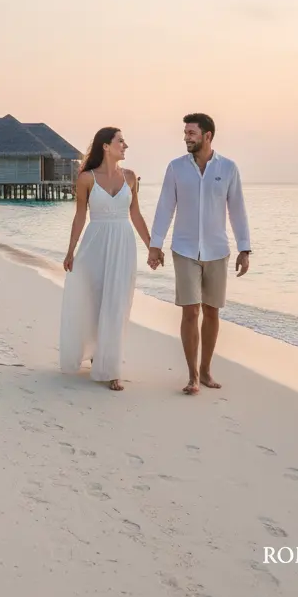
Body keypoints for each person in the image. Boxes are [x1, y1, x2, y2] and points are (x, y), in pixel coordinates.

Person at [148, 113, 251, 395]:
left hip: (217, 250)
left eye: (192, 133)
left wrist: (245, 248)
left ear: (208, 136)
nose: (186, 137)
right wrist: (154, 245)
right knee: (191, 310)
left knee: (212, 311)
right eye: (185, 133)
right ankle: (192, 375)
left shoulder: (228, 168)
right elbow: (165, 207)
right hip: (184, 249)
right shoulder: (176, 168)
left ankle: (206, 370)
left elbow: (237, 210)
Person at [60, 127, 151, 391]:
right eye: (120, 141)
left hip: (123, 244)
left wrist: (152, 247)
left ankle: (111, 367)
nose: (125, 145)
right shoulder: (86, 178)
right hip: (94, 245)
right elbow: (79, 216)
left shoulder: (131, 177)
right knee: (93, 299)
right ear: (106, 146)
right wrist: (70, 251)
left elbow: (136, 215)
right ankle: (94, 352)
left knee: (117, 303)